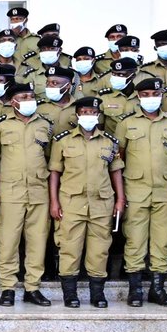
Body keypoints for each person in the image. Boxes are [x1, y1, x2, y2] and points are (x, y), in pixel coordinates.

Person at [48, 96, 125, 308]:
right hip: (71, 201)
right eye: (83, 112)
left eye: (92, 112)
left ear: (98, 115)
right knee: (69, 246)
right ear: (77, 115)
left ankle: (97, 293)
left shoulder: (109, 141)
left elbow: (116, 170)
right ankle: (70, 294)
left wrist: (120, 199)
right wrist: (54, 201)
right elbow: (54, 172)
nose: (88, 116)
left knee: (99, 248)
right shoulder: (63, 140)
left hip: (101, 202)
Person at [114, 78, 167, 307]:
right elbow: (118, 157)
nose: (151, 97)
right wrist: (119, 193)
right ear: (138, 97)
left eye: (155, 92)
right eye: (146, 94)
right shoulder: (126, 123)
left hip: (164, 189)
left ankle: (157, 289)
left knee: (162, 240)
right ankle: (135, 290)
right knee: (135, 239)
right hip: (135, 188)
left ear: (162, 94)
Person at [0, 82, 53, 307]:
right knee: (7, 241)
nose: (28, 100)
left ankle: (32, 288)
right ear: (12, 100)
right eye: (23, 96)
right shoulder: (0, 126)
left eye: (31, 96)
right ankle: (8, 287)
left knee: (37, 241)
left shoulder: (45, 125)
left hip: (39, 191)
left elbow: (51, 158)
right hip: (10, 192)